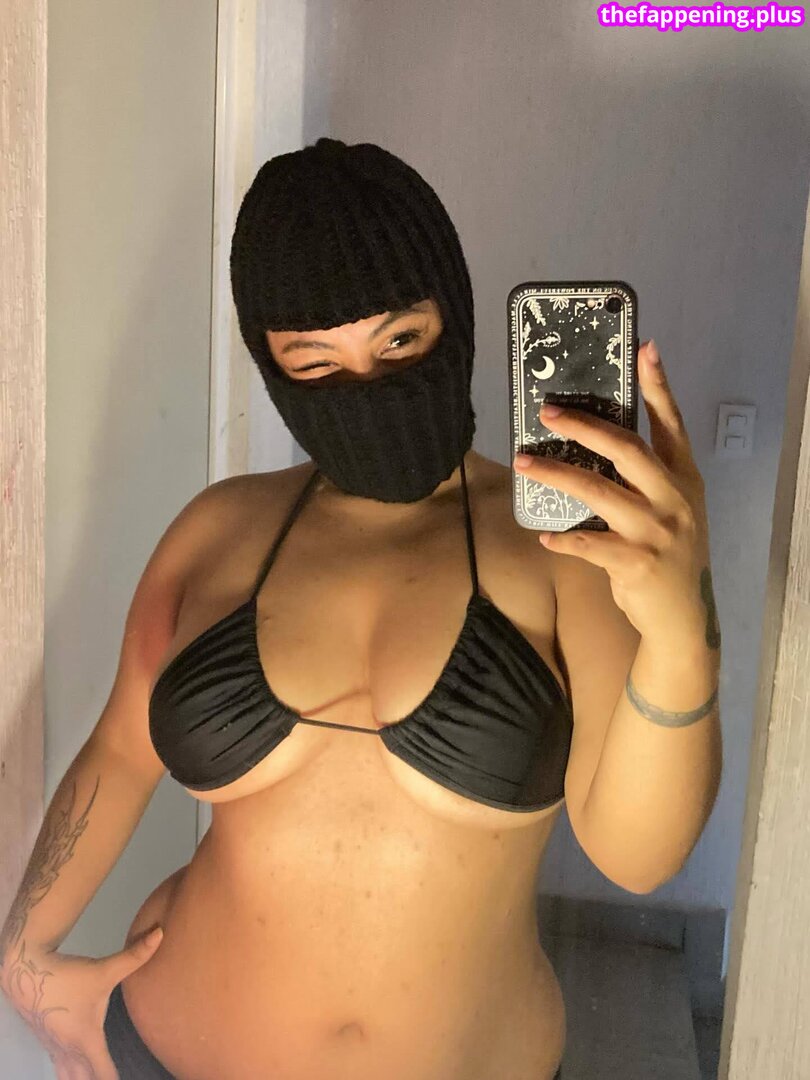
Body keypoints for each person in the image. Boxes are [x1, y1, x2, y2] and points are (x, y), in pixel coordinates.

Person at [1, 137, 721, 1080]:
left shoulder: (565, 546)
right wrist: (23, 954)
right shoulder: (217, 531)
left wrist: (680, 631)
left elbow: (639, 857)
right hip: (167, 1050)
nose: (367, 387)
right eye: (314, 359)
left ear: (452, 317)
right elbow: (122, 749)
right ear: (270, 363)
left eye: (400, 342)